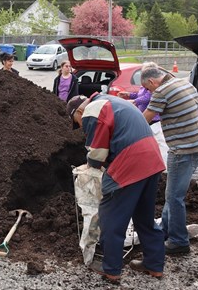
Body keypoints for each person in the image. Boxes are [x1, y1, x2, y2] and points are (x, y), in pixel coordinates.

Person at [67, 94, 165, 284]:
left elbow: (98, 152)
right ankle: (154, 265)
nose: (80, 126)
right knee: (145, 217)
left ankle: (111, 269)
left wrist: (92, 165)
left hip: (131, 162)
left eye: (77, 122)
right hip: (152, 159)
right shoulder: (112, 100)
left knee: (110, 216)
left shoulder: (92, 110)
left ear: (79, 111)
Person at [140, 66, 198, 255]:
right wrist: (192, 132)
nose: (149, 92)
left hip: (181, 152)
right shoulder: (185, 83)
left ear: (152, 82)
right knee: (174, 194)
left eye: (148, 89)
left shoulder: (161, 92)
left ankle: (179, 242)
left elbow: (144, 120)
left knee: (174, 197)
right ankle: (166, 230)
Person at [117, 62, 168, 166]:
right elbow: (139, 95)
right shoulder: (145, 85)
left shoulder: (153, 88)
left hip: (154, 119)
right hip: (144, 116)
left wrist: (135, 102)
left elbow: (147, 97)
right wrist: (129, 95)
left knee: (154, 140)